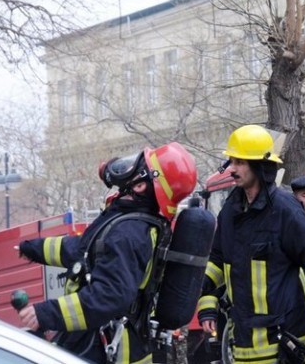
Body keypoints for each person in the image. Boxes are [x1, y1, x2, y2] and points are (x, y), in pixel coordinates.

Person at [17, 142, 197, 364]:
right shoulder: (129, 222)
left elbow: (109, 296)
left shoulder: (128, 233)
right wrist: (32, 249)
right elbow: (84, 250)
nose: (123, 168)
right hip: (101, 342)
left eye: (134, 164)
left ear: (140, 185)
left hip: (107, 348)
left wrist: (45, 313)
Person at [197, 124, 305, 364]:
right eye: (231, 161)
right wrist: (207, 304)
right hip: (245, 345)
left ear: (260, 166)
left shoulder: (285, 209)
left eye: (240, 162)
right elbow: (217, 262)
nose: (233, 169)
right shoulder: (230, 212)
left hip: (290, 342)